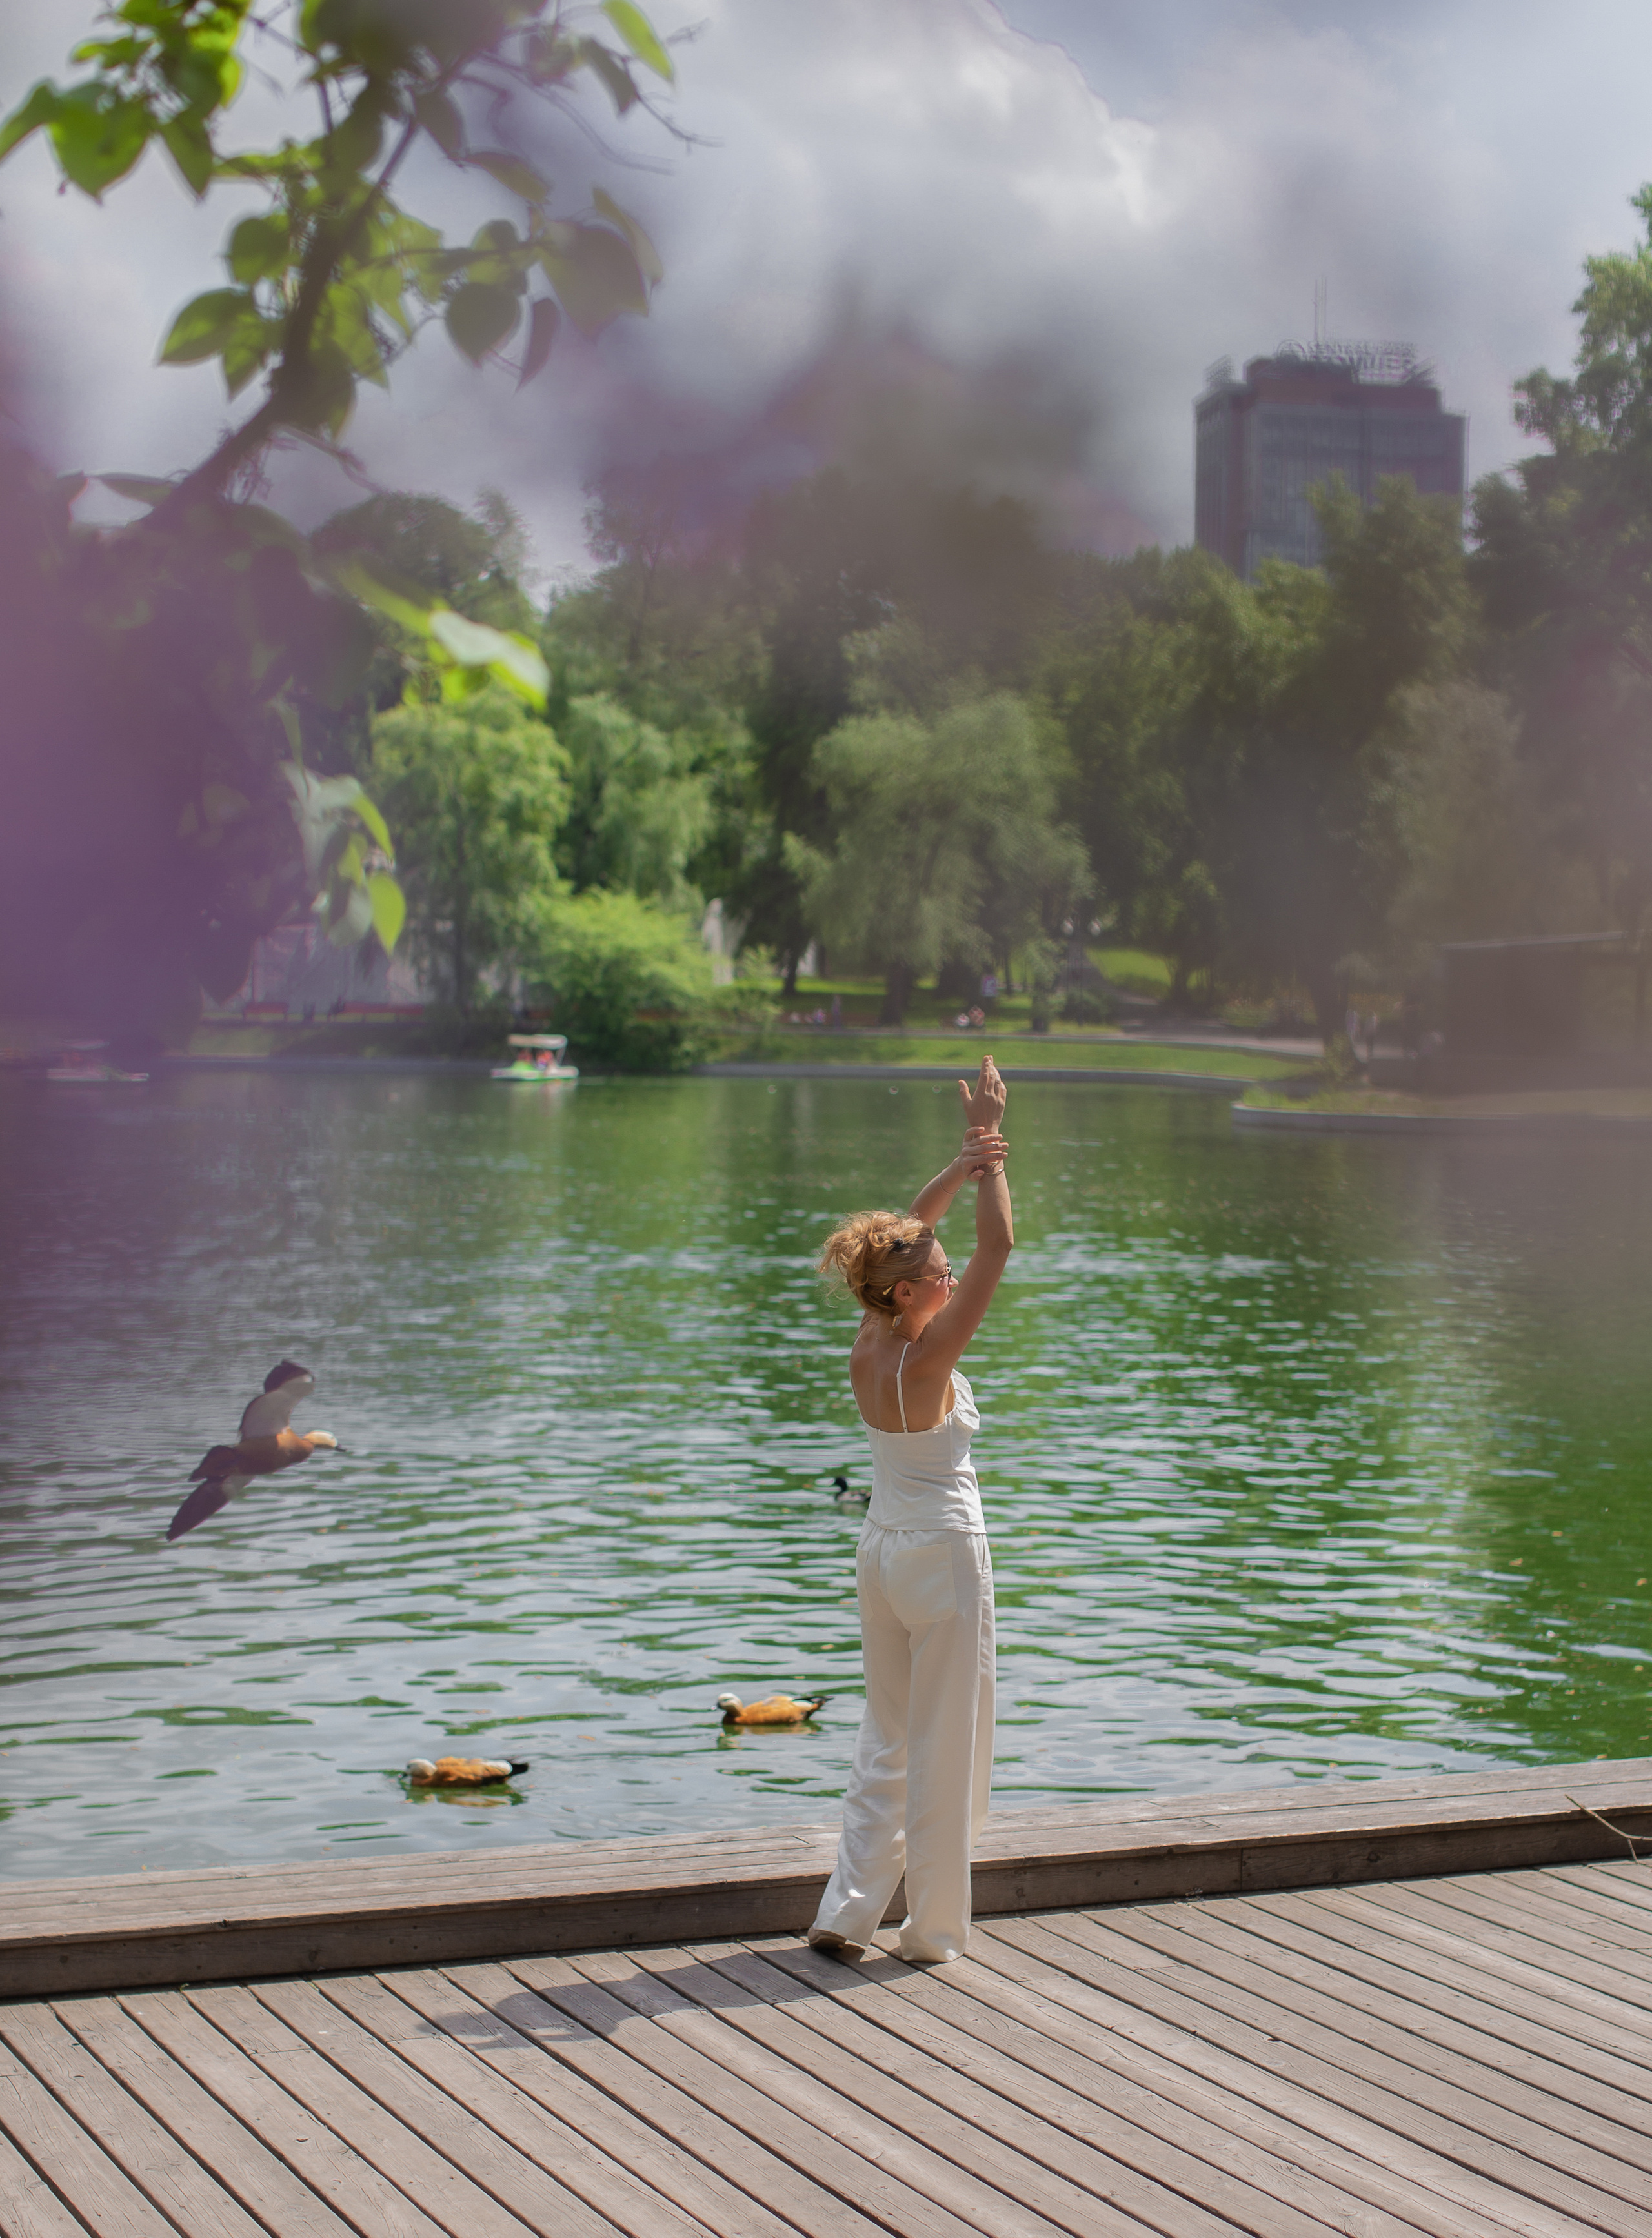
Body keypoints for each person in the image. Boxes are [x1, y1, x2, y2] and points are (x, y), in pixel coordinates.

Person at [809, 1054, 1013, 1964]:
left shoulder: (871, 1338)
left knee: (885, 1737)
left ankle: (849, 1909)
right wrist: (992, 1159)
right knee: (946, 1745)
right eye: (938, 1276)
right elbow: (999, 1249)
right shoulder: (925, 1362)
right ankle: (929, 1931)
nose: (952, 1275)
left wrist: (965, 1157)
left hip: (881, 1556)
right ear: (905, 1293)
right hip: (942, 1554)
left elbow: (908, 1232)